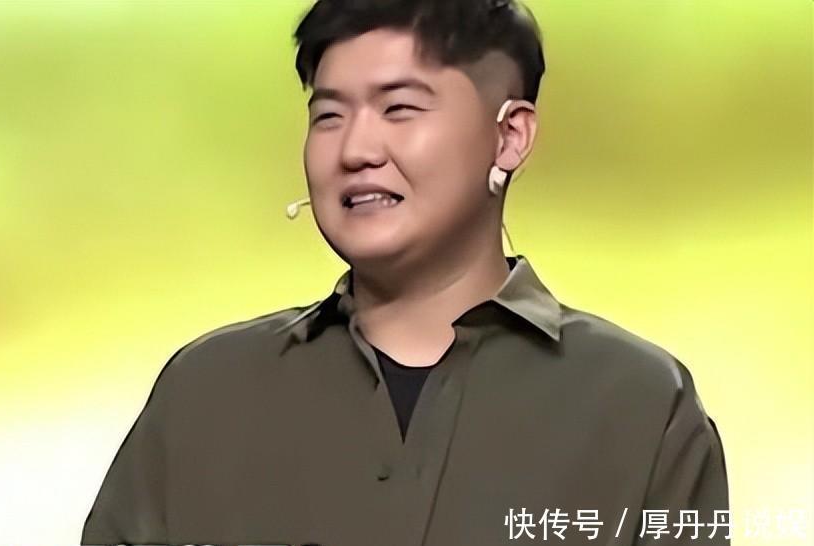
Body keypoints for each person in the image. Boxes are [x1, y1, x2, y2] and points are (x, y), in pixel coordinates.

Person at [81, 1, 729, 545]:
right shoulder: (207, 392)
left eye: (399, 109)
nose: (356, 150)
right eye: (328, 115)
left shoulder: (639, 405)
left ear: (510, 136)